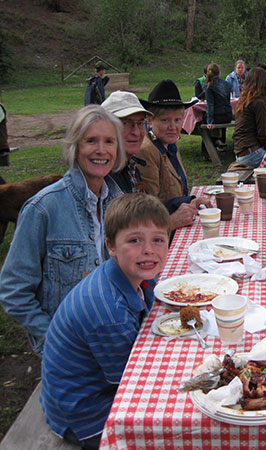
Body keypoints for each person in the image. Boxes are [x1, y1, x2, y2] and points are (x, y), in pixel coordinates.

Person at [40, 193, 170, 449]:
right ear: (110, 246)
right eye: (134, 240)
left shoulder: (132, 275)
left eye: (158, 240)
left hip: (81, 392)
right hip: (85, 413)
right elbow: (132, 383)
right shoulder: (110, 314)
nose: (148, 250)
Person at [0, 105, 126, 356]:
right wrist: (55, 338)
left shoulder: (118, 201)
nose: (101, 150)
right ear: (75, 147)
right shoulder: (43, 208)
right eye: (91, 141)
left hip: (113, 335)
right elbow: (13, 290)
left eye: (109, 141)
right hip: (70, 351)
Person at [101, 90, 211, 230]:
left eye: (139, 123)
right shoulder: (102, 175)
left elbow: (146, 210)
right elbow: (122, 233)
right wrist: (170, 222)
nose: (136, 132)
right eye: (126, 124)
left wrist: (188, 201)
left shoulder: (129, 165)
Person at [138, 80, 208, 229]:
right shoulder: (146, 151)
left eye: (177, 120)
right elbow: (147, 211)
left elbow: (171, 196)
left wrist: (190, 201)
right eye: (165, 120)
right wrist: (172, 221)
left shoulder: (170, 144)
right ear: (149, 120)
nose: (173, 127)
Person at [232, 67, 266, 168]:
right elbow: (262, 134)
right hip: (252, 153)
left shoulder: (244, 99)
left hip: (240, 152)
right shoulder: (258, 102)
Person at [203, 62, 233, 152]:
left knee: (204, 119)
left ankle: (207, 152)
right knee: (219, 115)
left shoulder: (209, 86)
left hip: (217, 116)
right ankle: (219, 140)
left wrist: (210, 122)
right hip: (228, 115)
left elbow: (210, 105)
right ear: (219, 73)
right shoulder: (227, 84)